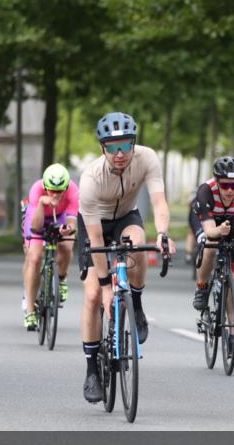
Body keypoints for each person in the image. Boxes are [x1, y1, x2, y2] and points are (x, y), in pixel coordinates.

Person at [77, 111, 175, 403]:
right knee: (94, 294)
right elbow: (96, 239)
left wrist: (163, 233)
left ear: (134, 143)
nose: (120, 154)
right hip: (94, 224)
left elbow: (159, 202)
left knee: (139, 243)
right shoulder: (90, 180)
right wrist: (107, 287)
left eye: (125, 145)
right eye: (112, 147)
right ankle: (92, 369)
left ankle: (137, 303)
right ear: (103, 148)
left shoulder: (148, 158)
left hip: (125, 217)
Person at [190, 156, 234, 359]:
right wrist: (219, 230)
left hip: (232, 224)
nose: (230, 190)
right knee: (209, 247)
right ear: (217, 182)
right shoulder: (205, 191)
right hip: (208, 221)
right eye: (225, 185)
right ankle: (202, 286)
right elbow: (210, 231)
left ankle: (233, 337)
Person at [21, 164, 78, 331]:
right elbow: (36, 226)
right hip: (37, 217)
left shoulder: (74, 191)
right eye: (51, 190)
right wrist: (41, 203)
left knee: (66, 247)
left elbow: (72, 222)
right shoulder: (36, 190)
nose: (55, 194)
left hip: (60, 217)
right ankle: (30, 311)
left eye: (60, 191)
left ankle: (61, 278)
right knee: (35, 257)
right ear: (45, 186)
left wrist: (68, 229)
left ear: (66, 187)